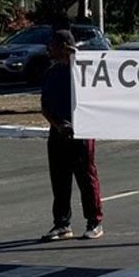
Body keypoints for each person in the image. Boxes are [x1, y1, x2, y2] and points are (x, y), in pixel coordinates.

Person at [40, 29, 104, 241]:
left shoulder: (83, 71)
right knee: (60, 180)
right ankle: (62, 225)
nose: (48, 48)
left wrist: (75, 53)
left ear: (65, 47)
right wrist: (57, 126)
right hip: (58, 133)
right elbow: (45, 106)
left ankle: (94, 223)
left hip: (83, 131)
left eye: (53, 44)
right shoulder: (51, 72)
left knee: (86, 179)